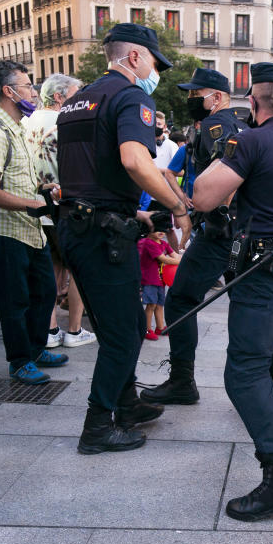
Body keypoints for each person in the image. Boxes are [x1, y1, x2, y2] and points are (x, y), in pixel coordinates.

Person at [191, 62, 273, 521]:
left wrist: (224, 158)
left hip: (264, 267)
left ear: (253, 101)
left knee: (242, 373)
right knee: (261, 352)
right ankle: (262, 416)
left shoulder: (253, 139)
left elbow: (204, 196)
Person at [55, 23, 192, 454]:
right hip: (103, 236)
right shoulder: (132, 96)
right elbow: (135, 161)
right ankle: (97, 426)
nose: (157, 73)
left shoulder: (75, 101)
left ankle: (127, 403)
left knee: (128, 322)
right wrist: (178, 206)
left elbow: (87, 177)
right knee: (123, 334)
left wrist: (136, 213)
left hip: (78, 228)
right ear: (134, 57)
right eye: (154, 62)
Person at [139, 68, 249, 407]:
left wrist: (205, 212)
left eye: (194, 94)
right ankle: (254, 385)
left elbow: (226, 177)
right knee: (248, 305)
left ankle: (182, 381)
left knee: (181, 300)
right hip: (243, 232)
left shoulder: (216, 126)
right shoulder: (244, 125)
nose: (190, 101)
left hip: (220, 230)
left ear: (216, 98)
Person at [0, 60, 68, 385]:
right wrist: (33, 202)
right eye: (27, 86)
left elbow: (18, 180)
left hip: (32, 230)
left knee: (44, 293)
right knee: (15, 301)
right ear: (8, 91)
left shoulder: (18, 128)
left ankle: (36, 348)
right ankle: (20, 361)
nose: (33, 92)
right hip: (7, 232)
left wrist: (44, 189)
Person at [23, 73, 97, 350]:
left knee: (50, 266)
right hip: (65, 206)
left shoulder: (26, 123)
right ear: (59, 97)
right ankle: (74, 330)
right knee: (76, 269)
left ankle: (50, 329)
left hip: (34, 207)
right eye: (76, 94)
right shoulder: (66, 123)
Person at [138, 230, 180, 340]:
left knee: (160, 304)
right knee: (151, 305)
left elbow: (175, 255)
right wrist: (182, 262)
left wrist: (183, 259)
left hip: (160, 280)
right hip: (149, 279)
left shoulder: (163, 243)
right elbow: (163, 258)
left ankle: (160, 327)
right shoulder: (148, 243)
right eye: (157, 229)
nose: (161, 232)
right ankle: (146, 329)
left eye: (163, 228)